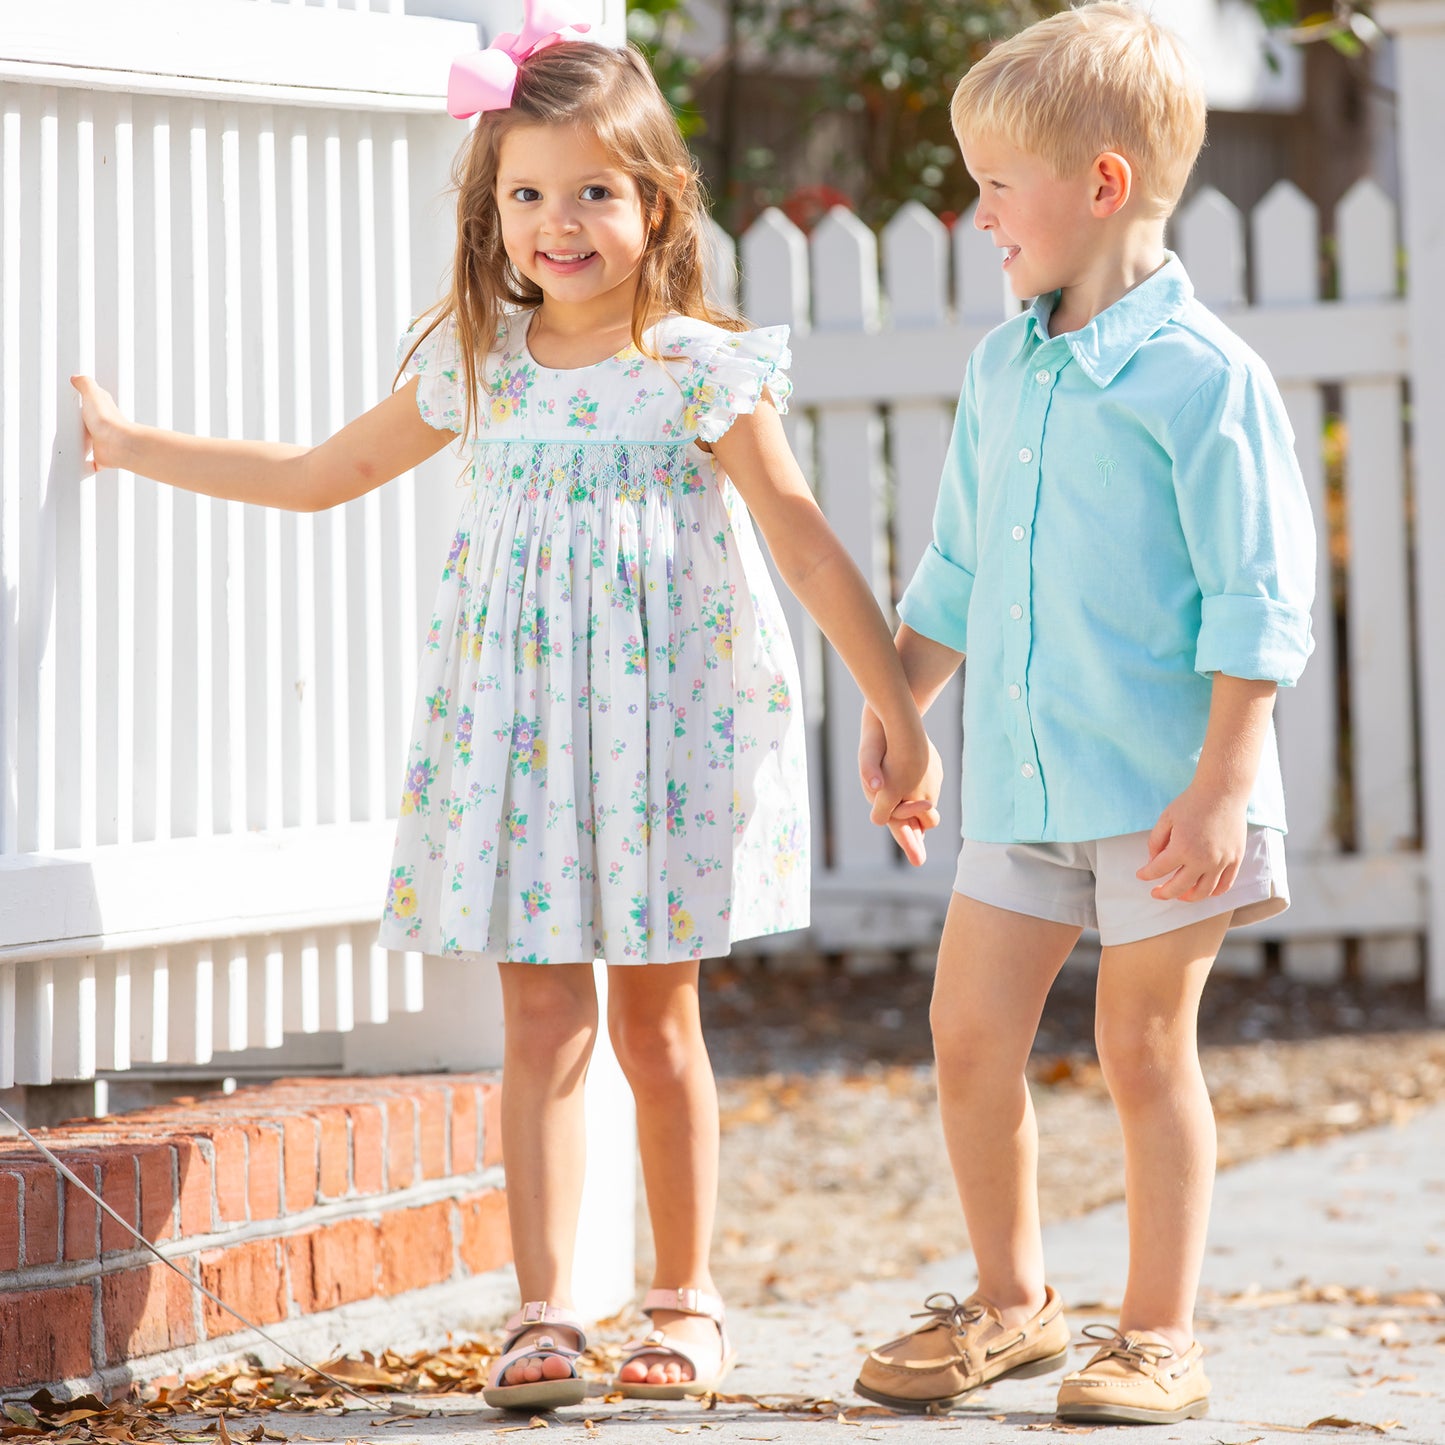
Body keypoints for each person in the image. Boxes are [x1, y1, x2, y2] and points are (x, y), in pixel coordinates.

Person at [72, 7, 939, 1414]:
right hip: (527, 736)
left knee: (657, 1029)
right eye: (526, 194)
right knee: (539, 1022)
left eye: (592, 191)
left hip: (659, 735)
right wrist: (129, 443)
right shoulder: (477, 365)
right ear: (493, 212)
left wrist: (893, 706)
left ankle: (686, 1296)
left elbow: (800, 538)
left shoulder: (698, 369)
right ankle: (543, 1310)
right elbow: (316, 474)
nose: (559, 222)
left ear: (656, 201)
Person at [853, 1, 1316, 1426]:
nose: (976, 214)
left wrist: (1224, 780)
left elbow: (1257, 599)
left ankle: (1158, 1332)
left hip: (1172, 789)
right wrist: (903, 706)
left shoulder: (1203, 380)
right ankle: (1012, 1304)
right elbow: (957, 565)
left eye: (997, 186)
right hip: (1023, 784)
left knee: (1138, 1047)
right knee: (968, 1031)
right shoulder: (1005, 370)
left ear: (1099, 186)